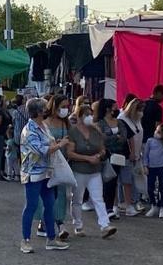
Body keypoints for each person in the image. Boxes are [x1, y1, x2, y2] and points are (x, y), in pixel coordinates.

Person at [18, 98, 72, 253]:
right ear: (39, 111)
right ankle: (26, 240)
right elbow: (42, 150)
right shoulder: (30, 130)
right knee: (31, 205)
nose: (46, 110)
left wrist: (56, 143)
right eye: (44, 108)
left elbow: (49, 144)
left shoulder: (43, 126)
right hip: (33, 173)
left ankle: (51, 238)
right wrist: (59, 145)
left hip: (46, 171)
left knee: (50, 205)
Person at [67, 101, 117, 239]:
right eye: (87, 114)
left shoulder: (96, 131)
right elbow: (70, 153)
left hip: (95, 170)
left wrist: (99, 156)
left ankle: (105, 225)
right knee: (77, 199)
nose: (90, 117)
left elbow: (102, 149)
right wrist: (86, 158)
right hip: (79, 170)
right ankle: (78, 225)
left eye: (91, 114)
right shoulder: (73, 132)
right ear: (80, 116)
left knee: (98, 198)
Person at [33, 94, 73, 240]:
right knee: (47, 193)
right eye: (62, 106)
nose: (65, 110)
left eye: (67, 107)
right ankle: (44, 221)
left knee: (60, 193)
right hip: (46, 163)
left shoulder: (65, 124)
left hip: (61, 163)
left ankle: (60, 222)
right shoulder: (44, 123)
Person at [96, 98, 129, 219]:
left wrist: (111, 137)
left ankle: (110, 206)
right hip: (106, 155)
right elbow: (102, 138)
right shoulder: (100, 123)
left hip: (118, 156)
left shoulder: (119, 122)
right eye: (114, 107)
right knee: (106, 181)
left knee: (114, 181)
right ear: (107, 108)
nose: (117, 109)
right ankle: (106, 207)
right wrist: (115, 137)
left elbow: (124, 138)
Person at [117, 97, 145, 215]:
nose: (142, 112)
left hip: (136, 154)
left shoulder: (137, 119)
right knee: (125, 179)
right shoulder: (122, 119)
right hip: (126, 154)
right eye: (140, 110)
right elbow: (129, 138)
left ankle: (132, 201)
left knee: (133, 179)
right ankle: (124, 203)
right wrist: (132, 152)